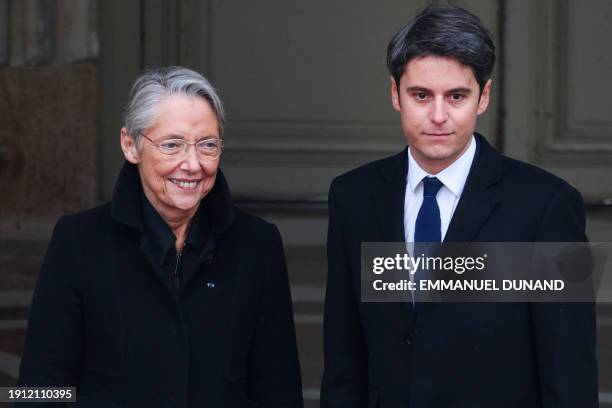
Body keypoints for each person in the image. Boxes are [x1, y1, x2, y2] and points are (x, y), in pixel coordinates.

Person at [321, 5, 597, 407]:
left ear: (483, 97)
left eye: (456, 96)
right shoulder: (353, 198)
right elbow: (344, 363)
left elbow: (569, 376)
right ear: (395, 94)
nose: (438, 116)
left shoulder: (546, 206)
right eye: (421, 95)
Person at [18, 66, 304, 407]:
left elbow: (279, 390)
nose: (192, 164)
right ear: (130, 145)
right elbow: (39, 387)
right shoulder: (79, 242)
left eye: (208, 145)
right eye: (172, 145)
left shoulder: (257, 245)